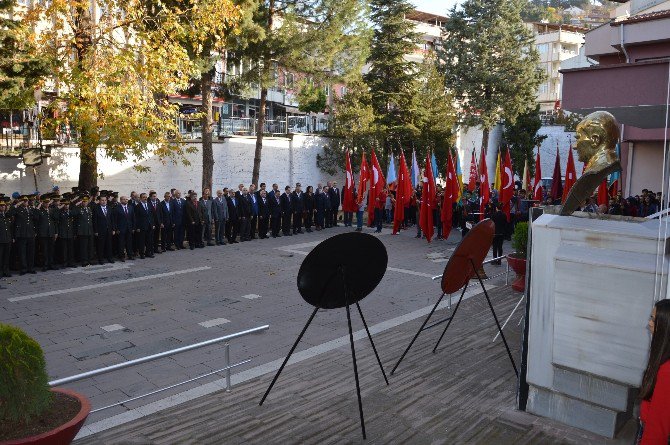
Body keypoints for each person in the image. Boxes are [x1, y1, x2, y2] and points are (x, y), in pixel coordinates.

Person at [637, 300, 670, 444]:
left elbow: (658, 425)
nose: (649, 323)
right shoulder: (661, 355)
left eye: (653, 319)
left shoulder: (667, 370)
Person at [36, 195, 59, 271]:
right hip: (43, 234)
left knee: (51, 249)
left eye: (48, 202)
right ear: (42, 203)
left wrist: (56, 232)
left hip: (51, 233)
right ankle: (45, 265)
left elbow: (55, 221)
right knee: (44, 250)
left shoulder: (51, 210)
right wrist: (38, 207)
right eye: (45, 202)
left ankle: (51, 264)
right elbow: (35, 218)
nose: (47, 204)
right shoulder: (40, 211)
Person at [92, 195, 115, 265]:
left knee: (109, 245)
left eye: (105, 200)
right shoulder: (96, 209)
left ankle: (109, 258)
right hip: (100, 230)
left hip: (109, 230)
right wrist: (95, 231)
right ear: (99, 201)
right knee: (100, 245)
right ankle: (100, 259)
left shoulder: (109, 208)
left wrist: (113, 229)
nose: (104, 201)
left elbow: (112, 219)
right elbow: (94, 221)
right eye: (102, 200)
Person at [72, 194, 94, 266]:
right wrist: (76, 205)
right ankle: (84, 261)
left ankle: (90, 259)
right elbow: (73, 213)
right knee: (83, 247)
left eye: (86, 201)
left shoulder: (89, 209)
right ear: (81, 202)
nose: (85, 203)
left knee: (90, 246)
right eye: (83, 201)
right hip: (82, 231)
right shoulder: (78, 209)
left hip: (89, 231)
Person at [115, 195, 135, 261]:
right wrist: (116, 229)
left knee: (129, 242)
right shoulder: (117, 208)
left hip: (129, 228)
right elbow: (115, 219)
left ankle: (130, 255)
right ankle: (121, 256)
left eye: (126, 199)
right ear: (120, 200)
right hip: (121, 229)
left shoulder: (130, 207)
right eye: (124, 199)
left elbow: (133, 218)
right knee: (121, 243)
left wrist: (133, 228)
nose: (125, 200)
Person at [135, 193, 156, 257]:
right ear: (141, 198)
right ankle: (142, 254)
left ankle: (148, 252)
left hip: (149, 226)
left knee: (149, 240)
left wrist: (153, 224)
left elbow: (152, 215)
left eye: (146, 197)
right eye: (144, 197)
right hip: (142, 226)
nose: (145, 198)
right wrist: (138, 227)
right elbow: (136, 218)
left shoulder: (149, 205)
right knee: (142, 241)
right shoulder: (138, 206)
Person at [0, 198, 13, 277]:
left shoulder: (7, 215)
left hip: (8, 239)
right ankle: (0, 271)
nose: (2, 207)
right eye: (1, 206)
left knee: (6, 256)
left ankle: (6, 270)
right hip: (0, 240)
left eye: (3, 206)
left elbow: (10, 228)